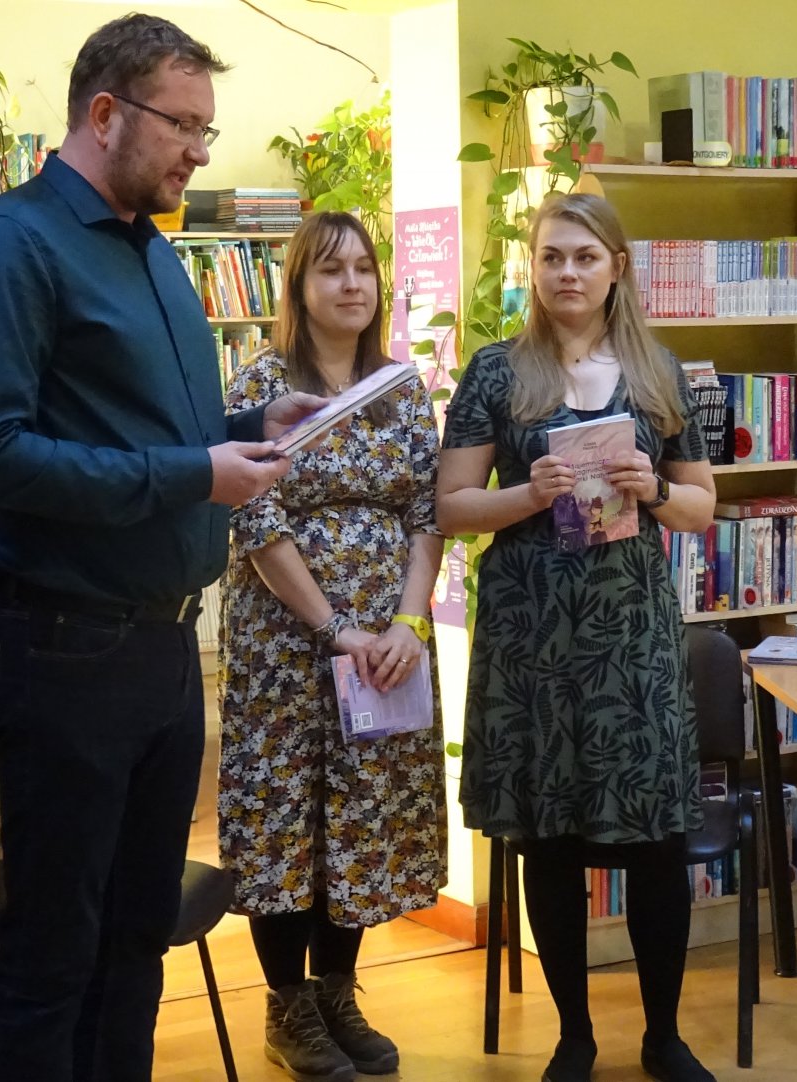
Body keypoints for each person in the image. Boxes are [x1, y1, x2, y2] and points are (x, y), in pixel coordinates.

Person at [0, 14, 326, 1082]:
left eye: (206, 128)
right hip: (63, 647)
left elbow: (144, 437)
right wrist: (197, 473)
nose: (199, 151)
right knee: (54, 957)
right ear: (105, 113)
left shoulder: (151, 248)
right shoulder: (7, 247)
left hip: (161, 648)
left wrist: (247, 431)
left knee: (134, 945)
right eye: (183, 125)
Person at [436, 192, 720, 1082]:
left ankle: (663, 1036)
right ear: (534, 267)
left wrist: (653, 488)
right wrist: (529, 492)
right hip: (531, 642)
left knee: (657, 843)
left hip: (631, 639)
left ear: (616, 268)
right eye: (552, 256)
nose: (567, 272)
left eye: (585, 257)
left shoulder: (658, 372)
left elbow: (702, 508)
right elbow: (450, 508)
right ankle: (574, 1037)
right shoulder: (496, 371)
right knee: (547, 839)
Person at [217, 212, 446, 1082]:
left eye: (362, 269)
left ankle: (337, 994)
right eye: (330, 270)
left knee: (360, 814)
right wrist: (333, 628)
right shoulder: (264, 382)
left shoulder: (399, 387)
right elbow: (258, 517)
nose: (351, 284)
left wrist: (406, 624)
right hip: (287, 644)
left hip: (385, 646)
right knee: (287, 818)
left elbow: (427, 512)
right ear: (299, 287)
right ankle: (288, 1008)